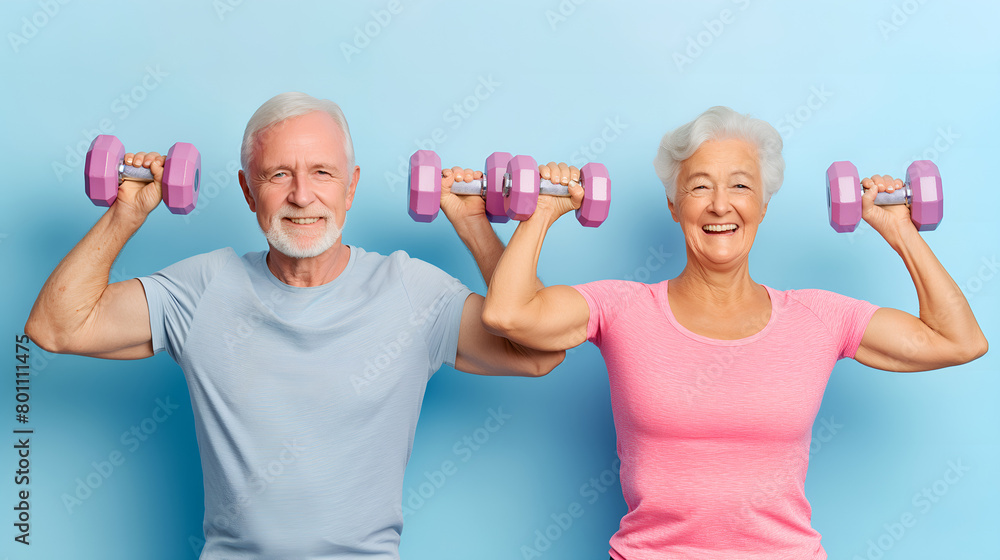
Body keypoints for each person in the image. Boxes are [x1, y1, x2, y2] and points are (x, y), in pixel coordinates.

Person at [25, 92, 564, 559]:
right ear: (246, 190)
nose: (302, 196)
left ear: (350, 187)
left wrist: (474, 226)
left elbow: (534, 352)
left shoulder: (409, 290)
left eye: (322, 173)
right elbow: (57, 328)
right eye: (278, 174)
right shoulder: (204, 287)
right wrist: (126, 212)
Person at [481, 106, 988, 559]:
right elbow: (509, 314)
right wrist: (541, 210)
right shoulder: (622, 308)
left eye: (741, 186)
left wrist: (900, 230)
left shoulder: (819, 319)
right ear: (674, 207)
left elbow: (958, 340)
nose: (720, 205)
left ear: (764, 205)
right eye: (700, 186)